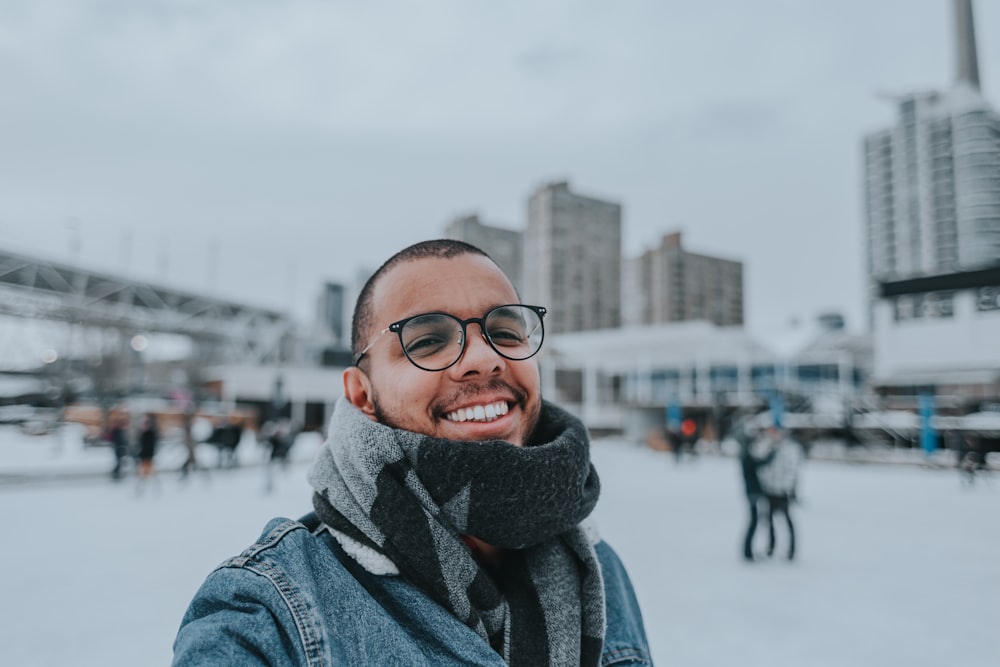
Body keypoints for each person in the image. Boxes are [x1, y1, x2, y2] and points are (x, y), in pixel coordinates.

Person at [173, 240, 652, 666]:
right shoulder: (271, 610)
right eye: (427, 340)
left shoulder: (595, 566)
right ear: (362, 394)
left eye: (505, 331)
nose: (484, 357)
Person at [756, 426, 803, 561]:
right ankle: (771, 547)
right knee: (769, 521)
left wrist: (789, 488)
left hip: (782, 492)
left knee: (787, 521)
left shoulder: (790, 448)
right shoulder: (766, 446)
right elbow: (762, 467)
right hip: (769, 490)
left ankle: (791, 549)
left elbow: (793, 470)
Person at [737, 423, 775, 562]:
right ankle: (747, 552)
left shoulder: (745, 456)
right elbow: (761, 463)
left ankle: (748, 551)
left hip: (752, 492)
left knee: (754, 521)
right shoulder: (747, 457)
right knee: (753, 522)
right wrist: (772, 453)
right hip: (753, 493)